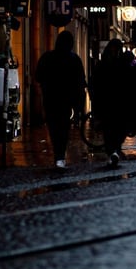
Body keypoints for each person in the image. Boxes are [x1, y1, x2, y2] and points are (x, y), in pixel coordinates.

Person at [89, 38, 136, 167]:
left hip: (107, 103)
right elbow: (129, 83)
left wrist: (95, 101)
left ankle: (112, 151)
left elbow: (95, 84)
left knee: (109, 129)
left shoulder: (102, 64)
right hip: (119, 103)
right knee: (117, 129)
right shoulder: (121, 64)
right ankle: (114, 150)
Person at [34, 30, 86, 169]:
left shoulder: (47, 57)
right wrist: (78, 106)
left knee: (54, 128)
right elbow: (80, 82)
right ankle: (60, 156)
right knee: (63, 129)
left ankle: (59, 155)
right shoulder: (74, 59)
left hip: (51, 99)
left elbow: (38, 76)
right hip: (66, 101)